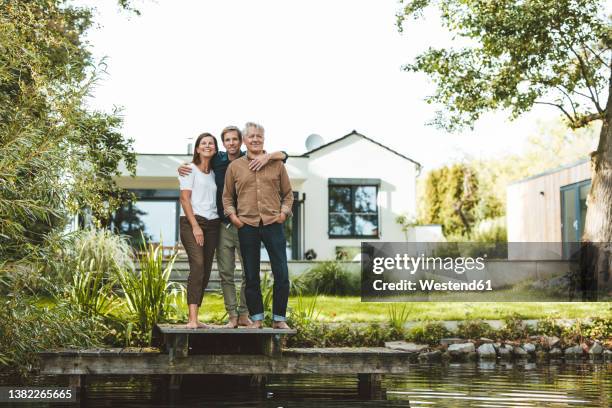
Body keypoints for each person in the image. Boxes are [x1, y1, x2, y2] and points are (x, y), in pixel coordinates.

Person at [178, 126, 288, 328]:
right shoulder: (218, 160)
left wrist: (271, 156)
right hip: (223, 225)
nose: (231, 143)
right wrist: (182, 167)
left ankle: (246, 314)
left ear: (242, 141)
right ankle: (232, 316)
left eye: (235, 139)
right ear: (224, 143)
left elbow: (283, 156)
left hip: (250, 225)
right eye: (227, 140)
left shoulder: (252, 159)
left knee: (249, 272)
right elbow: (199, 174)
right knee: (225, 273)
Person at [223, 122, 293, 329]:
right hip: (247, 225)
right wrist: (234, 217)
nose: (255, 139)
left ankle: (279, 319)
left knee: (281, 272)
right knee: (251, 275)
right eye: (251, 136)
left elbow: (288, 194)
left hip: (273, 223)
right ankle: (257, 318)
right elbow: (227, 197)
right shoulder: (234, 167)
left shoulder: (277, 164)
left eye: (259, 136)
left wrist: (283, 214)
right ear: (244, 140)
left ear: (264, 139)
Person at [178, 132, 221, 329]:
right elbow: (184, 199)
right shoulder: (189, 169)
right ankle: (191, 319)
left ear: (215, 148)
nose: (207, 146)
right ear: (197, 148)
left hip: (213, 225)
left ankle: (196, 317)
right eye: (203, 143)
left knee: (205, 270)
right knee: (198, 265)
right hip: (192, 222)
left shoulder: (214, 172)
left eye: (211, 143)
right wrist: (195, 226)